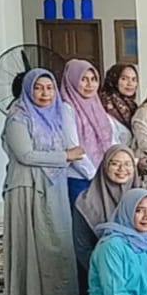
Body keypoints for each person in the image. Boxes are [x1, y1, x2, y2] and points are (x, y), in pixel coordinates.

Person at [2, 69, 80, 295]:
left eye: (49, 88)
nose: (45, 93)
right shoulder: (18, 118)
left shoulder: (56, 115)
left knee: (55, 239)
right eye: (38, 88)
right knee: (30, 243)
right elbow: (25, 155)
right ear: (27, 90)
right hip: (27, 187)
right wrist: (65, 156)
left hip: (53, 185)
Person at [71, 145, 142, 295]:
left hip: (140, 272)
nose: (122, 169)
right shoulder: (85, 202)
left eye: (128, 164)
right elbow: (82, 248)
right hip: (100, 273)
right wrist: (108, 273)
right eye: (115, 164)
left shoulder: (142, 197)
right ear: (104, 166)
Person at [61, 59, 122, 207]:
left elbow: (111, 140)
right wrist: (94, 175)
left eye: (93, 79)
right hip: (80, 179)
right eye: (83, 79)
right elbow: (74, 149)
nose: (90, 84)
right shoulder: (66, 108)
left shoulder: (97, 105)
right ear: (72, 80)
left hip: (104, 177)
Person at [99, 63, 139, 137]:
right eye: (124, 79)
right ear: (114, 80)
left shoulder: (133, 106)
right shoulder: (104, 104)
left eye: (134, 79)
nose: (130, 83)